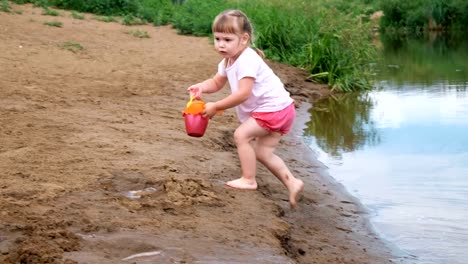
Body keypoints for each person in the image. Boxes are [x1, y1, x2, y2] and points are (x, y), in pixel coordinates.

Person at [187, 9, 304, 208]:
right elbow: (216, 82)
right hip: (283, 109)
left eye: (227, 39)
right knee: (263, 152)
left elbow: (243, 94)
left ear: (243, 39)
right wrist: (201, 87)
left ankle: (249, 179)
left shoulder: (247, 60)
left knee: (241, 135)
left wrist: (216, 106)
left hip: (273, 109)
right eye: (217, 38)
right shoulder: (228, 61)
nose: (221, 44)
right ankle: (292, 182)